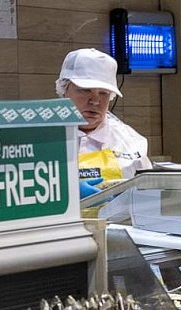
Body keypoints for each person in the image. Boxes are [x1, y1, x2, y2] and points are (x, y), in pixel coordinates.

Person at [56, 48, 151, 198]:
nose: (95, 101)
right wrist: (67, 193)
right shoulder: (39, 139)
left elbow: (147, 195)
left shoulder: (131, 142)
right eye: (85, 90)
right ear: (63, 90)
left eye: (103, 93)